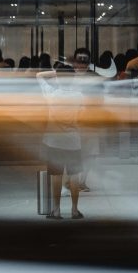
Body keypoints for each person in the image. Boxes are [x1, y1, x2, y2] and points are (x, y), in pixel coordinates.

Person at [37, 49, 89, 219]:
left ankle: (57, 210)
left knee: (56, 176)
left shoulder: (51, 94)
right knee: (74, 176)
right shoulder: (79, 96)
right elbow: (82, 117)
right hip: (73, 142)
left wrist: (57, 72)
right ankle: (74, 210)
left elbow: (39, 76)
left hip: (54, 142)